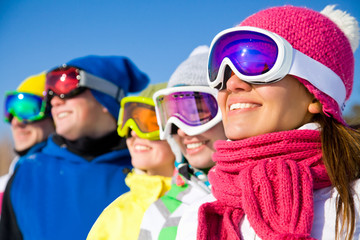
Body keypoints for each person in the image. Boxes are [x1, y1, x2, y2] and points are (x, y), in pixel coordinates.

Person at [176, 5, 360, 240]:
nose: (232, 84)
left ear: (317, 94)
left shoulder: (351, 203)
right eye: (222, 69)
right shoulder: (198, 214)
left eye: (257, 64)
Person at [0, 55, 150, 240]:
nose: (54, 101)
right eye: (50, 93)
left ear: (106, 96)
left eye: (65, 85)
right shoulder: (27, 174)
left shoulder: (148, 169)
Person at [138, 46, 227, 240]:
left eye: (197, 112)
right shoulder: (159, 214)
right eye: (172, 115)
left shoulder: (269, 192)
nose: (182, 130)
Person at [87, 83, 175, 240]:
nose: (133, 132)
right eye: (129, 121)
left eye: (150, 123)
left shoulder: (206, 201)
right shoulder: (116, 214)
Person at [0, 72, 54, 214]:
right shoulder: (3, 190)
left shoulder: (77, 181)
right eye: (11, 110)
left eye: (27, 110)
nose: (15, 122)